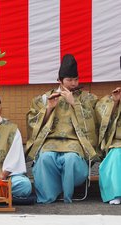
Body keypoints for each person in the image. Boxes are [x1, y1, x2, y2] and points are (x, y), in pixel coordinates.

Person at [26, 54, 99, 203]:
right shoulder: (46, 98)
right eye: (69, 80)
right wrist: (48, 109)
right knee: (45, 158)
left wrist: (75, 104)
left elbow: (93, 124)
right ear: (60, 80)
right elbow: (32, 124)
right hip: (50, 142)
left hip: (75, 143)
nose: (73, 83)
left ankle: (67, 195)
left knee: (71, 159)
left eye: (76, 79)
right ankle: (48, 197)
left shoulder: (88, 98)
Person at [0, 83, 33, 204]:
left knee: (24, 185)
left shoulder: (11, 129)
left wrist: (3, 175)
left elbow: (15, 156)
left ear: (0, 110)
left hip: (5, 177)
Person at [96, 87, 121, 204]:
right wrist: (115, 102)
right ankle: (117, 193)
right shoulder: (113, 97)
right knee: (116, 155)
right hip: (118, 142)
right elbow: (102, 124)